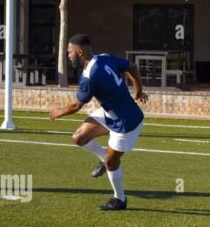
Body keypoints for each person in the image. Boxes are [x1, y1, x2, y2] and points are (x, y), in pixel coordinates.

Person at [49, 34, 148, 210]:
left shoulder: (89, 77)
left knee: (112, 162)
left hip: (127, 122)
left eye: (69, 52)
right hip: (110, 113)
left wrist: (59, 111)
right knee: (79, 137)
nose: (68, 56)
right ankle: (104, 159)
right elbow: (131, 66)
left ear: (79, 52)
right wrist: (138, 90)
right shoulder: (105, 57)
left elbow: (77, 105)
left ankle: (120, 199)